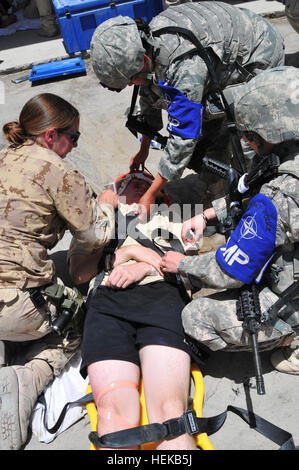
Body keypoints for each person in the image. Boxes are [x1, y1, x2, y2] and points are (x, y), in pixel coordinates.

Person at [160, 66, 299, 375]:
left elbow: (231, 269)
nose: (249, 143)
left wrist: (180, 265)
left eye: (251, 136)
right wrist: (209, 214)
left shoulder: (283, 193)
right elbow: (258, 186)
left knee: (196, 317)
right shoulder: (288, 160)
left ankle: (295, 338)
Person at [89, 1, 285, 216]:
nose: (129, 85)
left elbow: (183, 136)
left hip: (256, 56)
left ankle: (255, 197)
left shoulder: (183, 67)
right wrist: (143, 149)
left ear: (144, 59)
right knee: (206, 127)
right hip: (220, 56)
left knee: (246, 140)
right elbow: (149, 96)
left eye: (130, 79)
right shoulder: (146, 45)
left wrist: (151, 193)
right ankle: (217, 189)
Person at [0, 93, 117, 450]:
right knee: (77, 321)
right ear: (51, 136)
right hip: (12, 303)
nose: (74, 146)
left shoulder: (5, 157)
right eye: (74, 138)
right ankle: (25, 378)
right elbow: (94, 233)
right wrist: (108, 207)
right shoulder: (58, 170)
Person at [68, 170, 198, 450]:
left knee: (170, 412)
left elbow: (192, 271)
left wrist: (146, 266)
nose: (139, 184)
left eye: (147, 183)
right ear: (115, 189)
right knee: (113, 413)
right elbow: (78, 273)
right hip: (107, 299)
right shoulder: (97, 219)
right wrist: (122, 255)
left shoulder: (176, 218)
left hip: (162, 296)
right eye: (131, 181)